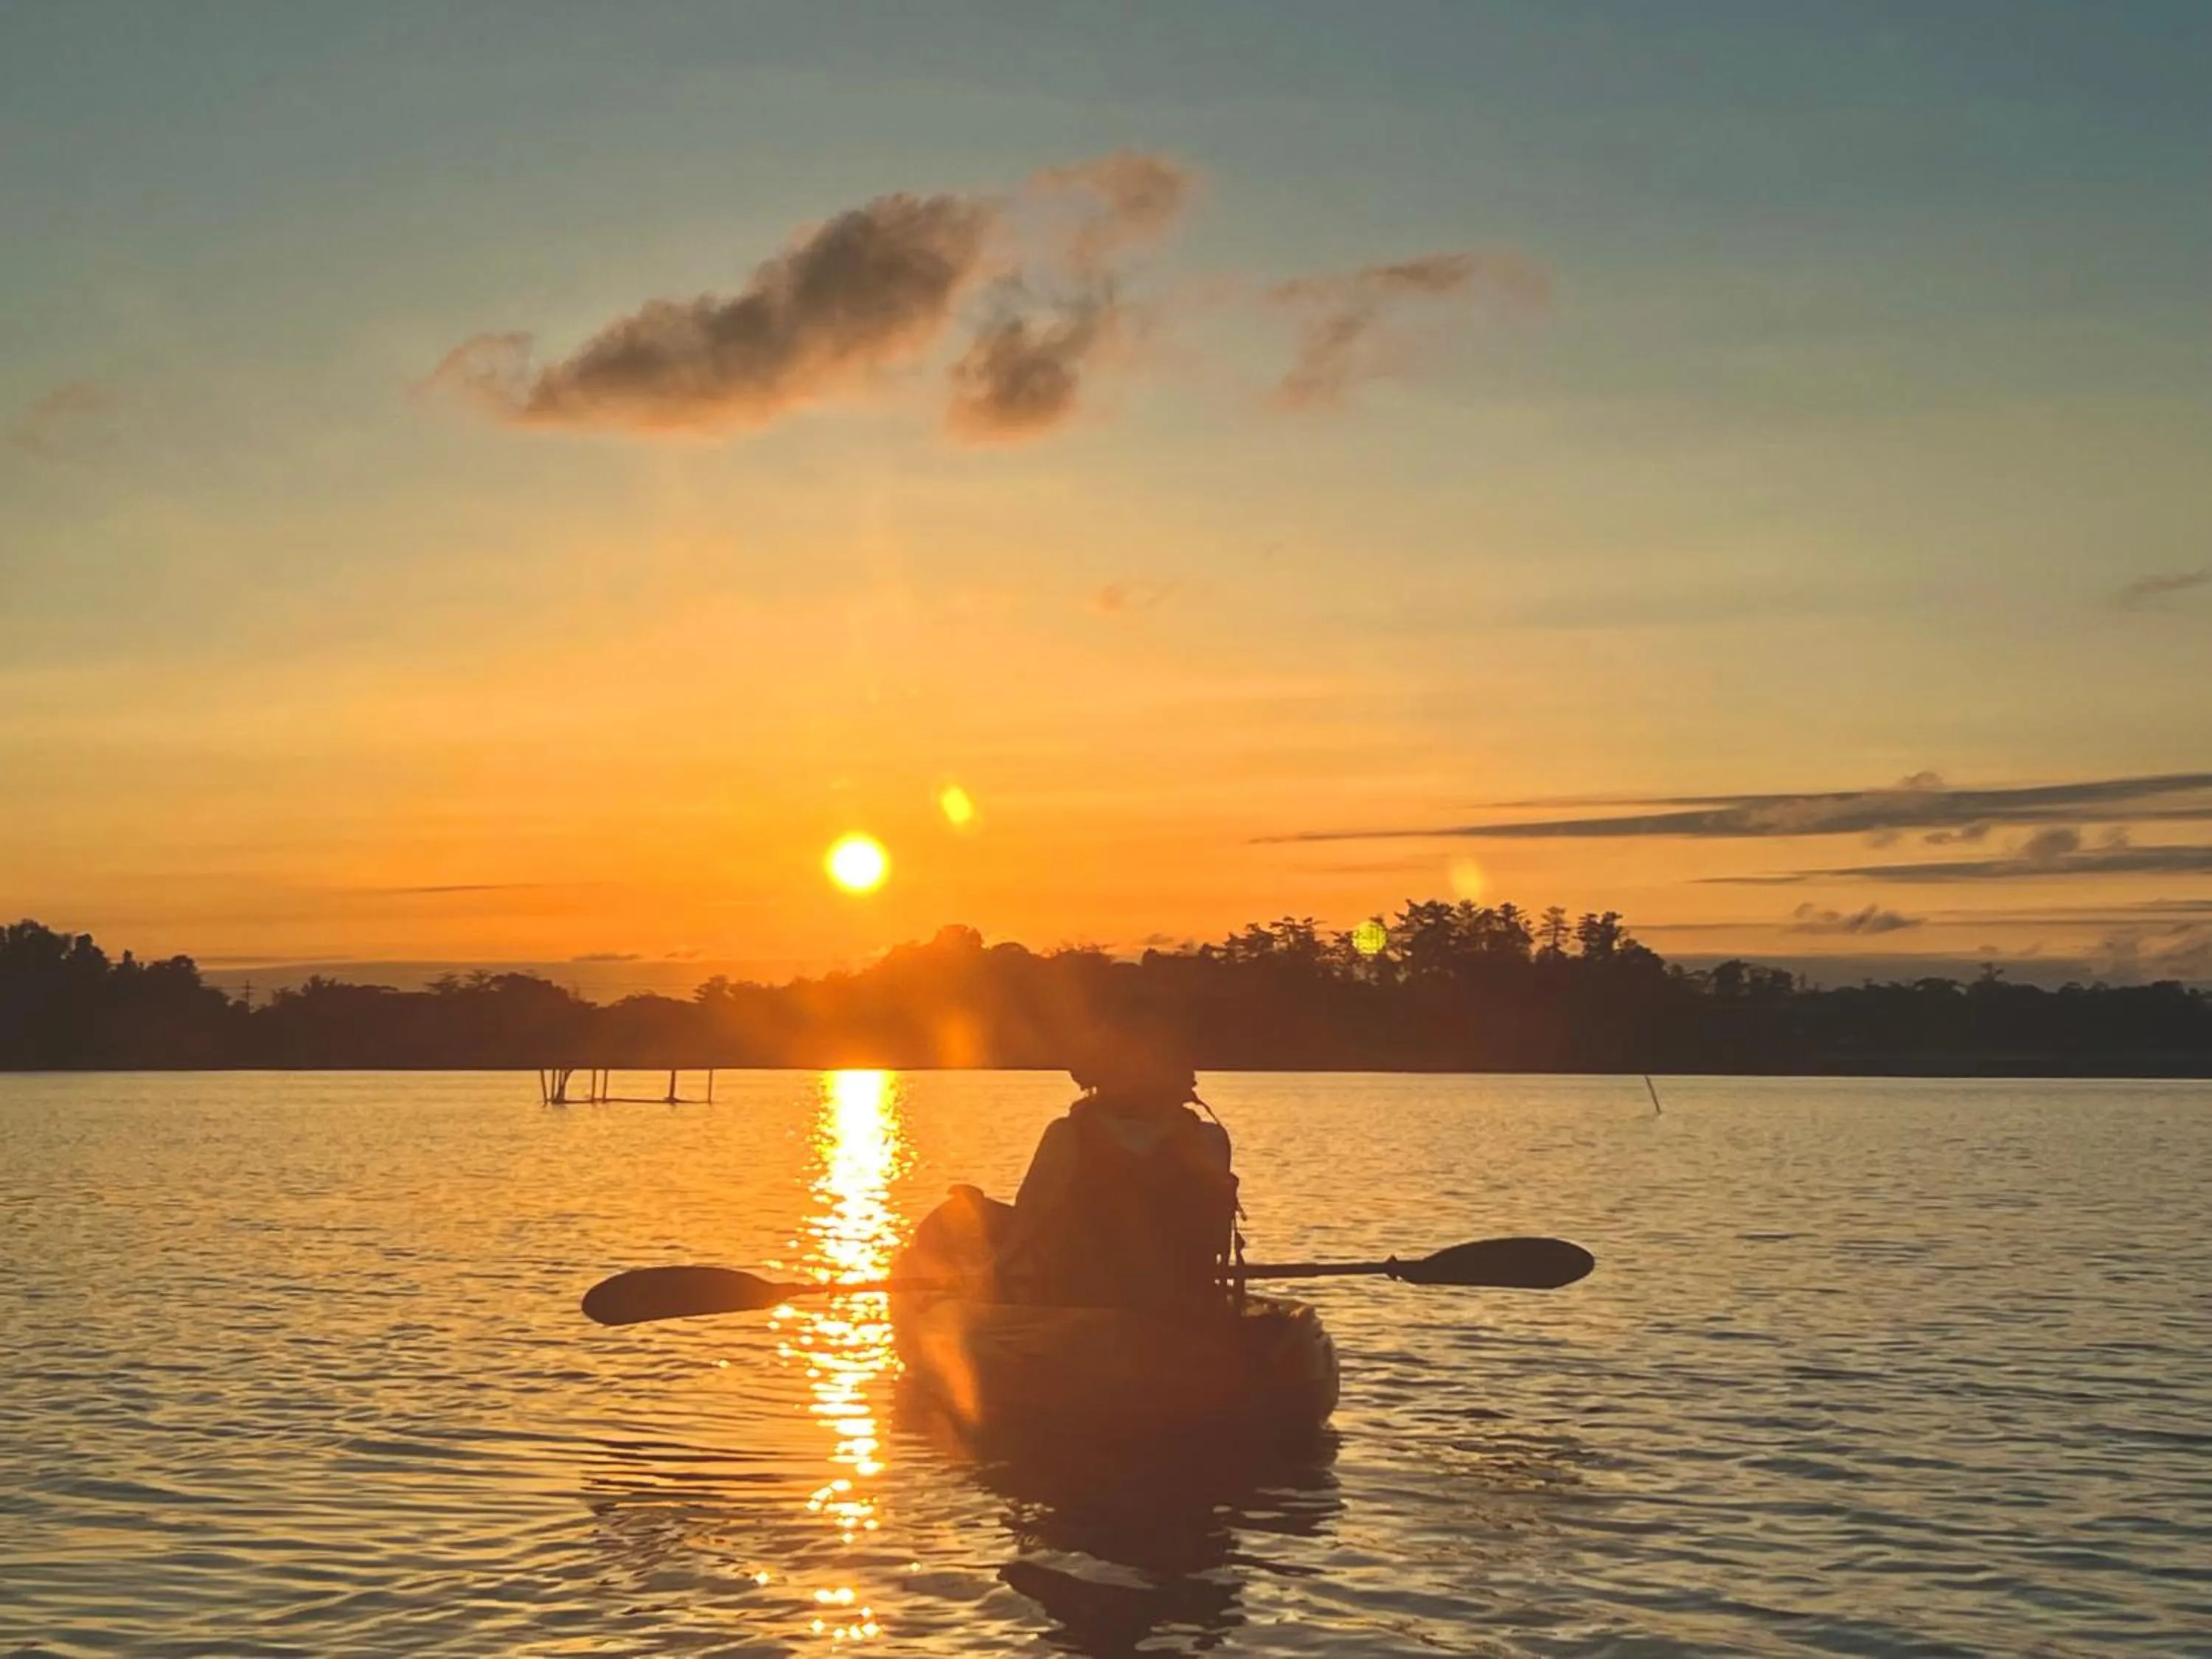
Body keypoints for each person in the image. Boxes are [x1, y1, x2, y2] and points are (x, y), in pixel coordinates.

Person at [998, 1044, 1241, 1315]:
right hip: (1188, 1307)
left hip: (1083, 1307)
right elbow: (1215, 1238)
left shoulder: (1066, 1136)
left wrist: (988, 1277)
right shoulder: (1212, 1139)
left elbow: (1025, 1229)